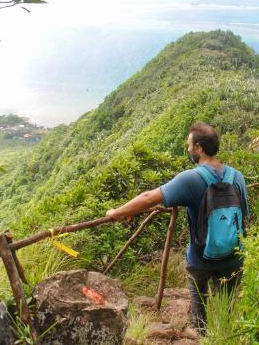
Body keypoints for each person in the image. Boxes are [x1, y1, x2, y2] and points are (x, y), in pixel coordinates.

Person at [105, 122, 248, 332]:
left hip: (201, 260)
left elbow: (148, 198)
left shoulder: (191, 178)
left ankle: (200, 334)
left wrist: (117, 212)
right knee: (227, 311)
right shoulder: (237, 177)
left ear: (199, 148)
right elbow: (244, 214)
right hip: (234, 257)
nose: (188, 149)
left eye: (189, 145)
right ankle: (224, 335)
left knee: (199, 310)